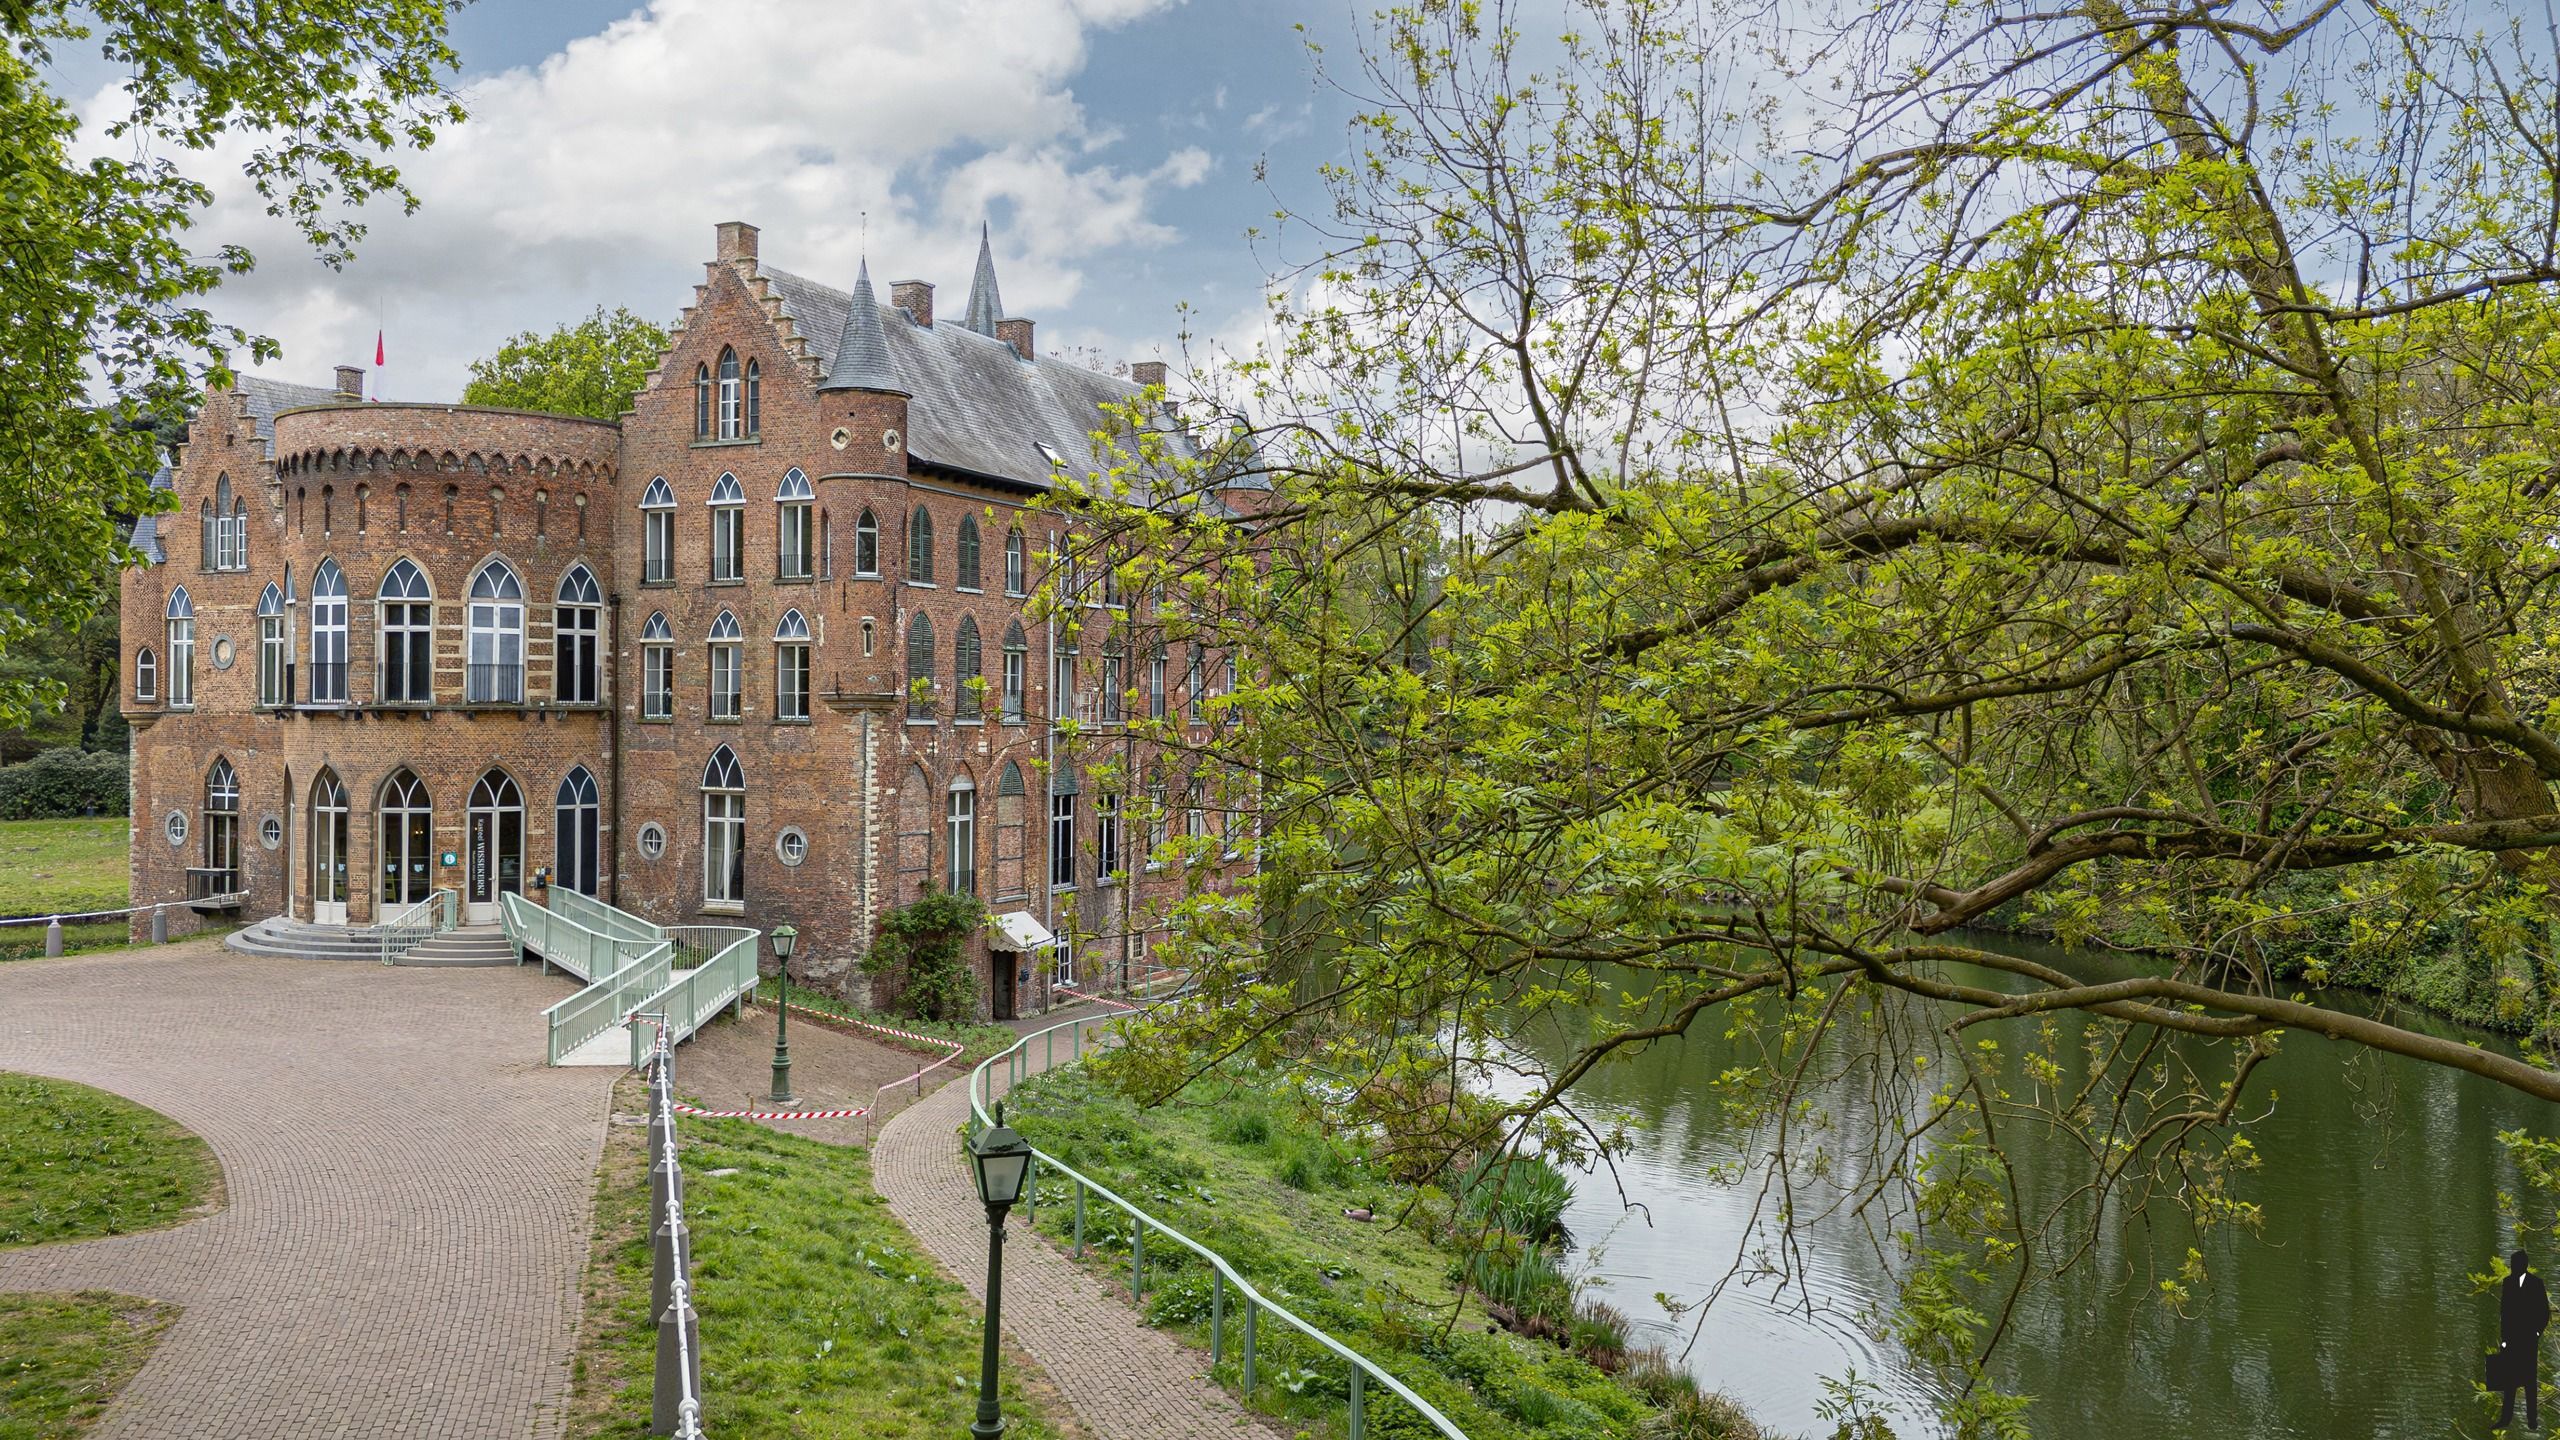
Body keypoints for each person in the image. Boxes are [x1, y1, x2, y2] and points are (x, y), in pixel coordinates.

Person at [2499, 1248, 2550, 1431]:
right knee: (2509, 1380)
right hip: (2511, 1339)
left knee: (2529, 1380)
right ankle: (2505, 1418)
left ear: (2524, 1265)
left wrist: (2536, 1333)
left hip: (2528, 1339)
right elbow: (2504, 1313)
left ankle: (2532, 1420)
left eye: (2515, 1264)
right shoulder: (2507, 1283)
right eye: (2512, 1264)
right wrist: (2504, 1339)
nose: (2512, 1267)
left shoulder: (2536, 1283)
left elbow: (2544, 1312)